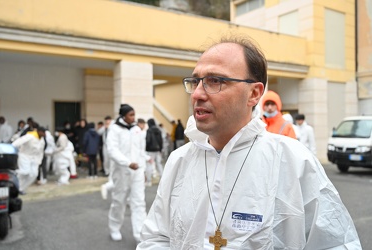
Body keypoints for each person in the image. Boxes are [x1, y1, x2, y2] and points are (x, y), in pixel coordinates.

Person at [137, 36, 361, 249]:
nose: (197, 93)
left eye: (215, 81)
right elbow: (156, 238)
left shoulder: (294, 162)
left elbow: (336, 243)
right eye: (195, 81)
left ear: (254, 93)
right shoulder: (179, 160)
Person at [106, 104, 147, 242]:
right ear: (123, 116)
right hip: (121, 171)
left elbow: (141, 150)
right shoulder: (115, 129)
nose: (133, 117)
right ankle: (114, 228)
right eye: (131, 115)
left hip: (137, 171)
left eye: (134, 114)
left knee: (139, 202)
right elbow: (112, 150)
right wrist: (127, 163)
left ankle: (140, 234)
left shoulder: (136, 129)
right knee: (119, 201)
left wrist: (143, 167)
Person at [12, 125, 46, 194]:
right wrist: (11, 148)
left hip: (34, 158)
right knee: (24, 172)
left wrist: (39, 161)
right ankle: (15, 180)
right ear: (39, 132)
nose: (44, 134)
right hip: (25, 156)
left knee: (34, 174)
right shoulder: (30, 136)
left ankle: (21, 189)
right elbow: (18, 141)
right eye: (43, 132)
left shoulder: (42, 140)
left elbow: (41, 152)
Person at [100, 115, 115, 200]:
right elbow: (99, 132)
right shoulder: (105, 127)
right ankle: (107, 172)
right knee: (106, 160)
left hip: (111, 146)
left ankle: (109, 181)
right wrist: (105, 127)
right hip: (105, 145)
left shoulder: (113, 126)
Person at [145, 118, 163, 186]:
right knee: (159, 164)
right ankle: (162, 179)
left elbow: (148, 140)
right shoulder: (158, 130)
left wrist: (146, 148)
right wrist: (160, 149)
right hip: (158, 150)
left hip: (150, 150)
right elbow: (161, 141)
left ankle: (149, 181)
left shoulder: (149, 130)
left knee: (149, 165)